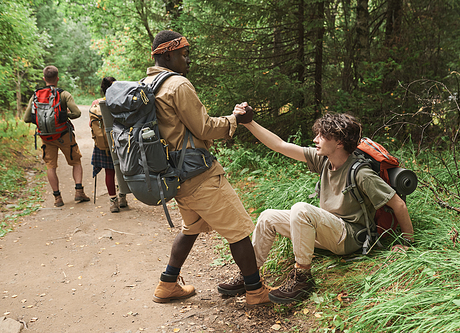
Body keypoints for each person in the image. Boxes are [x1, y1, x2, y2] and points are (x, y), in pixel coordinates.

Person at [219, 108, 415, 304]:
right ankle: (249, 275)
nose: (315, 139)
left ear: (339, 142)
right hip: (329, 231)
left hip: (349, 237)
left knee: (301, 209)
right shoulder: (323, 160)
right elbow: (280, 145)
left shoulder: (361, 173)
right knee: (267, 216)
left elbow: (398, 204)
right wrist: (248, 123)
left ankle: (302, 278)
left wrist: (406, 243)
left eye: (322, 136)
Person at [146, 30, 270, 307]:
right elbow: (204, 128)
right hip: (199, 175)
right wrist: (235, 119)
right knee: (238, 229)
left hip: (173, 175)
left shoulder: (148, 84)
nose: (188, 60)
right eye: (183, 54)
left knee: (191, 227)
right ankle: (256, 291)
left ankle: (167, 284)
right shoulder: (177, 85)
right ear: (167, 54)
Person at [24, 65, 90, 207]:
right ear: (57, 78)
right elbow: (77, 113)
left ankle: (57, 198)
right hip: (63, 135)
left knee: (50, 166)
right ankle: (79, 192)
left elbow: (26, 118)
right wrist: (63, 115)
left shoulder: (35, 95)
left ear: (44, 79)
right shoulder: (64, 94)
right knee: (76, 161)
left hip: (46, 138)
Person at [89, 77, 128, 213]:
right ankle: (122, 196)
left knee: (109, 172)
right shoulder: (121, 102)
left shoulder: (96, 104)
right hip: (121, 142)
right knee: (123, 169)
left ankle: (113, 202)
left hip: (104, 145)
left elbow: (91, 125)